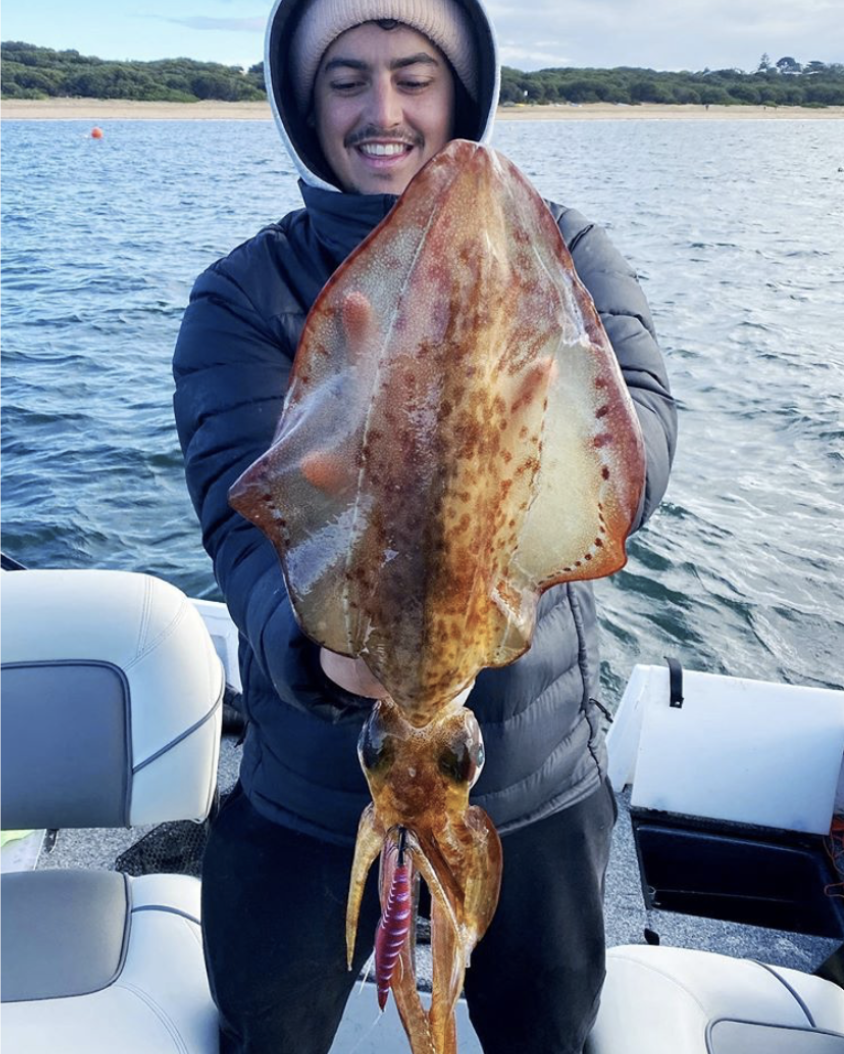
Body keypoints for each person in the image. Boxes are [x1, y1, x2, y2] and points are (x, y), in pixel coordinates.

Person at [172, 1, 677, 1052]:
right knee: (265, 1027)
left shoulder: (563, 252)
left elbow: (646, 436)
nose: (383, 110)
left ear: (463, 87)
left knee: (547, 1031)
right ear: (305, 106)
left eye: (413, 74)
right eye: (345, 80)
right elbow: (238, 514)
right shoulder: (243, 295)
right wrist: (312, 647)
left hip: (535, 778)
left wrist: (524, 413)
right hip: (312, 779)